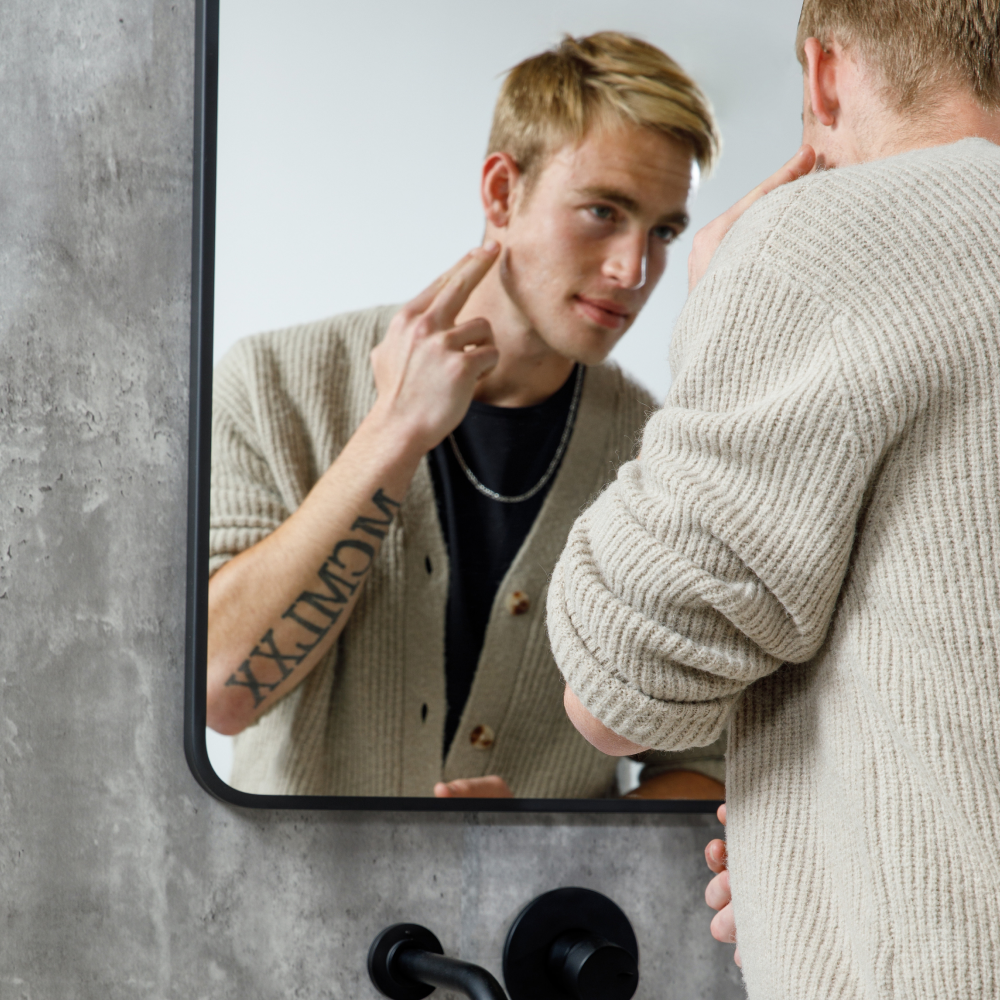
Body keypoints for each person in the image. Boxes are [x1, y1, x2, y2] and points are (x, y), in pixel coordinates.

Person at [548, 0, 1000, 993]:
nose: (634, 266)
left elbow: (613, 688)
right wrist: (806, 859)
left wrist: (720, 303)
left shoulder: (825, 241)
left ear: (824, 75)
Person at [205, 32, 728, 799]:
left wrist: (552, 849)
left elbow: (702, 765)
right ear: (500, 194)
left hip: (540, 923)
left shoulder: (661, 461)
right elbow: (223, 693)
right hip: (296, 913)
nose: (633, 270)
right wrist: (391, 433)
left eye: (663, 230)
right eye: (602, 211)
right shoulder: (274, 385)